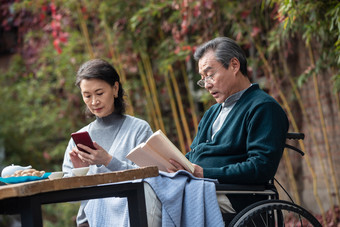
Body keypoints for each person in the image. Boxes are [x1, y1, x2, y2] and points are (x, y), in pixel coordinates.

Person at [169, 36, 289, 212]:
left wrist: (203, 173)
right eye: (203, 79)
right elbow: (194, 155)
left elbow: (261, 167)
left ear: (234, 65)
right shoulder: (212, 113)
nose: (207, 86)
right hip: (201, 187)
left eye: (210, 75)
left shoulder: (263, 107)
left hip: (234, 195)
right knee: (150, 190)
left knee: (157, 202)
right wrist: (173, 165)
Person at [62, 59, 153, 227]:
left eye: (99, 93)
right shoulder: (80, 137)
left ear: (115, 88)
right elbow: (70, 198)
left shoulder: (139, 129)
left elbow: (151, 178)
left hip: (132, 217)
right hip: (90, 222)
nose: (94, 102)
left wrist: (108, 161)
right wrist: (79, 172)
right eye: (87, 96)